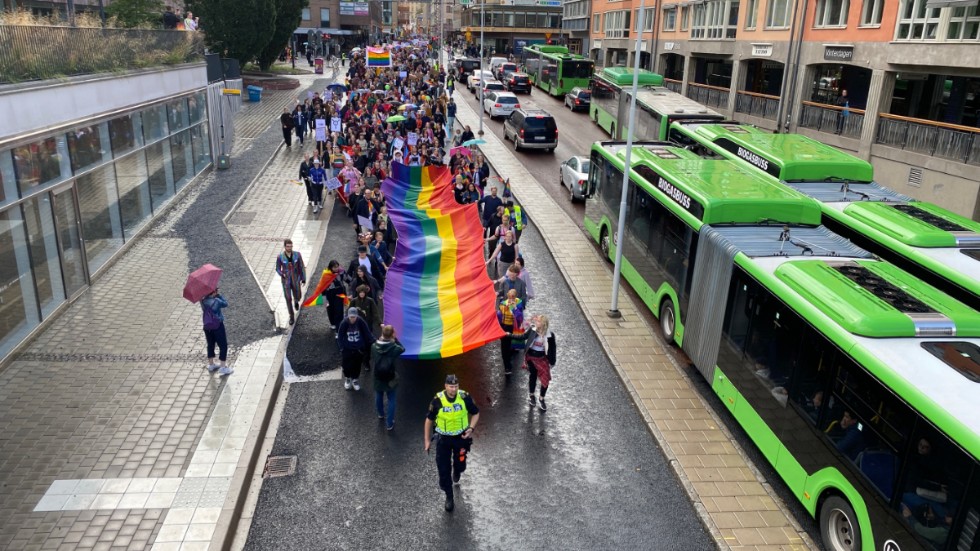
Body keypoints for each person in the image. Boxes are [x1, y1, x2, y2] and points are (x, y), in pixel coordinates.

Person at [423, 374, 480, 512]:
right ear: (445, 386)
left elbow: (476, 413)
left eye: (455, 386)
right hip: (444, 440)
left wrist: (471, 428)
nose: (453, 389)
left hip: (461, 438)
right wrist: (426, 440)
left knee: (461, 464)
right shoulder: (437, 401)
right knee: (443, 469)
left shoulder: (465, 397)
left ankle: (457, 469)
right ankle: (449, 496)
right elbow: (429, 420)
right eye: (450, 386)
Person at [372, 325, 405, 431]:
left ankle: (380, 414)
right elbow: (402, 349)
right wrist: (395, 339)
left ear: (382, 334)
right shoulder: (394, 348)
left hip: (378, 377)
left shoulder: (374, 347)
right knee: (391, 399)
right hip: (390, 378)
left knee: (378, 395)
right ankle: (389, 423)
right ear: (392, 335)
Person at [524, 314, 556, 411]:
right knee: (533, 375)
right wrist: (508, 335)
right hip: (531, 357)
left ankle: (541, 398)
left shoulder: (550, 335)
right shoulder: (532, 330)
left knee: (545, 378)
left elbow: (553, 349)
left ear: (543, 324)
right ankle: (532, 395)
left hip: (542, 358)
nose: (536, 322)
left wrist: (553, 361)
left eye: (538, 321)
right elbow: (523, 336)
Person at [337, 307, 374, 391]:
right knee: (346, 365)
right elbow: (340, 336)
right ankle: (348, 378)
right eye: (351, 317)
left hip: (358, 348)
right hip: (347, 348)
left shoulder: (360, 321)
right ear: (348, 316)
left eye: (354, 317)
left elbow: (367, 332)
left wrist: (374, 341)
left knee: (357, 365)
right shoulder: (344, 323)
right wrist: (342, 348)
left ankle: (355, 379)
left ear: (357, 316)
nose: (353, 319)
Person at [201, 290, 232, 376]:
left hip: (207, 326)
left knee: (210, 344)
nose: (217, 291)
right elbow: (225, 304)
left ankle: (211, 365)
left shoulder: (202, 301)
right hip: (217, 326)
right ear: (213, 292)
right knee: (223, 345)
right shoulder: (216, 301)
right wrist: (219, 296)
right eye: (216, 291)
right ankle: (223, 367)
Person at [276, 239, 306, 325]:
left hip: (296, 278)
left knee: (298, 294)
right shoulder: (280, 257)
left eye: (291, 246)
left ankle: (296, 301)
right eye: (288, 246)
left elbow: (301, 266)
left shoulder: (297, 255)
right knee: (288, 298)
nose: (289, 248)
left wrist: (303, 278)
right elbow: (277, 268)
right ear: (285, 246)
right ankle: (291, 316)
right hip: (286, 281)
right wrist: (282, 274)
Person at [496, 288, 523, 375]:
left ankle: (510, 361)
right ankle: (507, 367)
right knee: (504, 349)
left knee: (512, 347)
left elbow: (520, 318)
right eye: (510, 297)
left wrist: (514, 308)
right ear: (507, 295)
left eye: (513, 297)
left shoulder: (518, 304)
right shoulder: (502, 304)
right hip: (505, 328)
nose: (511, 299)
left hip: (514, 328)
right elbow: (498, 317)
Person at [321, 260, 347, 330]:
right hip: (330, 294)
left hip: (339, 293)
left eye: (337, 267)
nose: (336, 268)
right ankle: (333, 323)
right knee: (330, 309)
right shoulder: (326, 274)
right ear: (330, 267)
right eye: (334, 267)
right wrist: (324, 298)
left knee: (339, 309)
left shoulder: (341, 272)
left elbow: (347, 278)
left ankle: (340, 323)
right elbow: (322, 286)